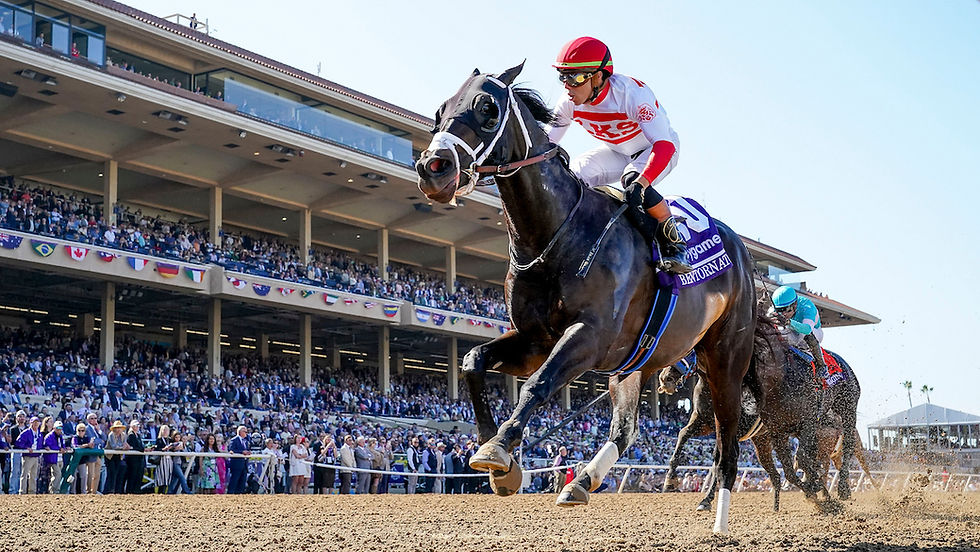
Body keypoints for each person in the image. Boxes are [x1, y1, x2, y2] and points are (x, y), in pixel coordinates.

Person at [547, 36, 691, 274]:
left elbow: (663, 145)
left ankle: (673, 241)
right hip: (617, 151)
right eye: (563, 77)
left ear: (598, 76)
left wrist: (642, 183)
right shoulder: (568, 103)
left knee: (631, 181)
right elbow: (547, 143)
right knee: (573, 176)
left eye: (575, 77)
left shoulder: (632, 95)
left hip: (656, 150)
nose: (567, 86)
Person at [769, 285, 828, 386]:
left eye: (786, 309)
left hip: (811, 332)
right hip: (791, 331)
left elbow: (807, 329)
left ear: (795, 304)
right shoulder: (773, 310)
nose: (783, 313)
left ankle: (821, 365)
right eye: (779, 310)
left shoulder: (807, 307)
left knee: (805, 335)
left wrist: (788, 322)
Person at [16, 416, 42, 494]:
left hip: (36, 456)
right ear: (30, 423)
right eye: (34, 422)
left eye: (37, 422)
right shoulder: (26, 432)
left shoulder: (39, 433)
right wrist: (26, 447)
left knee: (33, 475)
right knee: (24, 474)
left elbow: (40, 444)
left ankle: (32, 491)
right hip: (27, 456)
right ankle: (22, 491)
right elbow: (18, 442)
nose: (36, 424)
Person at [40, 418, 64, 494]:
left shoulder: (60, 436)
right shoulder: (49, 436)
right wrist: (59, 448)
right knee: (57, 474)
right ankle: (54, 491)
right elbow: (48, 445)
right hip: (53, 459)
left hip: (59, 458)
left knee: (57, 475)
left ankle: (54, 490)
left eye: (60, 428)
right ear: (54, 428)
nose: (59, 430)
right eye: (58, 428)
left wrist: (64, 448)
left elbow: (62, 445)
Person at [84, 412, 105, 494]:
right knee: (90, 474)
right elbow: (92, 440)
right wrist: (100, 441)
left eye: (95, 418)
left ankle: (94, 491)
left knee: (97, 475)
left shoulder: (97, 429)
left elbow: (104, 438)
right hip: (91, 454)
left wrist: (99, 430)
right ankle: (88, 490)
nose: (94, 420)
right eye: (92, 418)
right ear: (88, 420)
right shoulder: (87, 429)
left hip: (97, 454)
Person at [71, 422, 95, 494]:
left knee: (84, 476)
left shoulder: (87, 438)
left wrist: (90, 445)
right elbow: (75, 446)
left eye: (82, 430)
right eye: (79, 430)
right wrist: (86, 445)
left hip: (83, 460)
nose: (81, 432)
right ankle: (73, 492)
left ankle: (83, 492)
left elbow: (91, 446)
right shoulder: (75, 437)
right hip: (74, 460)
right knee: (73, 477)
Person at [104, 420, 127, 493]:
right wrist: (122, 447)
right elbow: (113, 446)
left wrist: (125, 447)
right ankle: (108, 490)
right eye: (117, 428)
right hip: (110, 456)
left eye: (119, 428)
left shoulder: (123, 435)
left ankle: (115, 490)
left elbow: (124, 444)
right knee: (111, 473)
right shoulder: (111, 435)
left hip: (118, 456)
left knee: (117, 472)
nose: (118, 429)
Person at [227, 425, 250, 494]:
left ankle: (240, 495)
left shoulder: (246, 441)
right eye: (245, 431)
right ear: (240, 432)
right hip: (236, 464)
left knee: (242, 481)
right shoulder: (234, 440)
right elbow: (231, 450)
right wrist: (242, 452)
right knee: (234, 480)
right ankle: (230, 495)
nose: (246, 433)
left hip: (244, 464)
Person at [124, 419, 145, 494]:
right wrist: (143, 449)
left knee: (138, 475)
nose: (138, 426)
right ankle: (130, 491)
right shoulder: (131, 435)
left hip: (138, 459)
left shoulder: (138, 435)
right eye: (137, 425)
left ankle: (136, 490)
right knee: (132, 475)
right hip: (133, 459)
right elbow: (135, 447)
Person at [153, 424, 174, 494]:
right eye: (164, 430)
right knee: (161, 476)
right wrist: (163, 449)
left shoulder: (170, 440)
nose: (165, 431)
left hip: (169, 460)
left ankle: (165, 491)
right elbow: (156, 449)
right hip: (161, 460)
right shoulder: (159, 440)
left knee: (168, 476)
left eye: (167, 430)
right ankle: (159, 491)